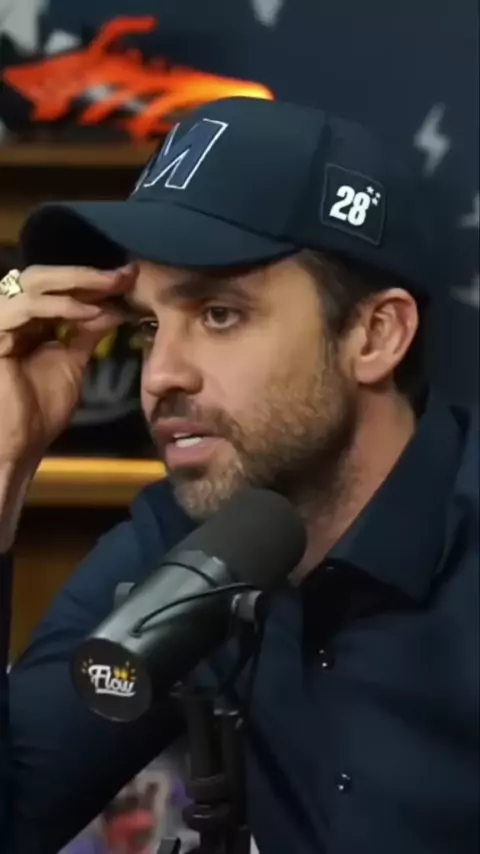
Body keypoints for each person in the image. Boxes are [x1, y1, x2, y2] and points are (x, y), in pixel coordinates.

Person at [0, 97, 478, 854]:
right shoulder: (179, 539)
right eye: (149, 325)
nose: (160, 374)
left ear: (374, 337)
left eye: (219, 314)